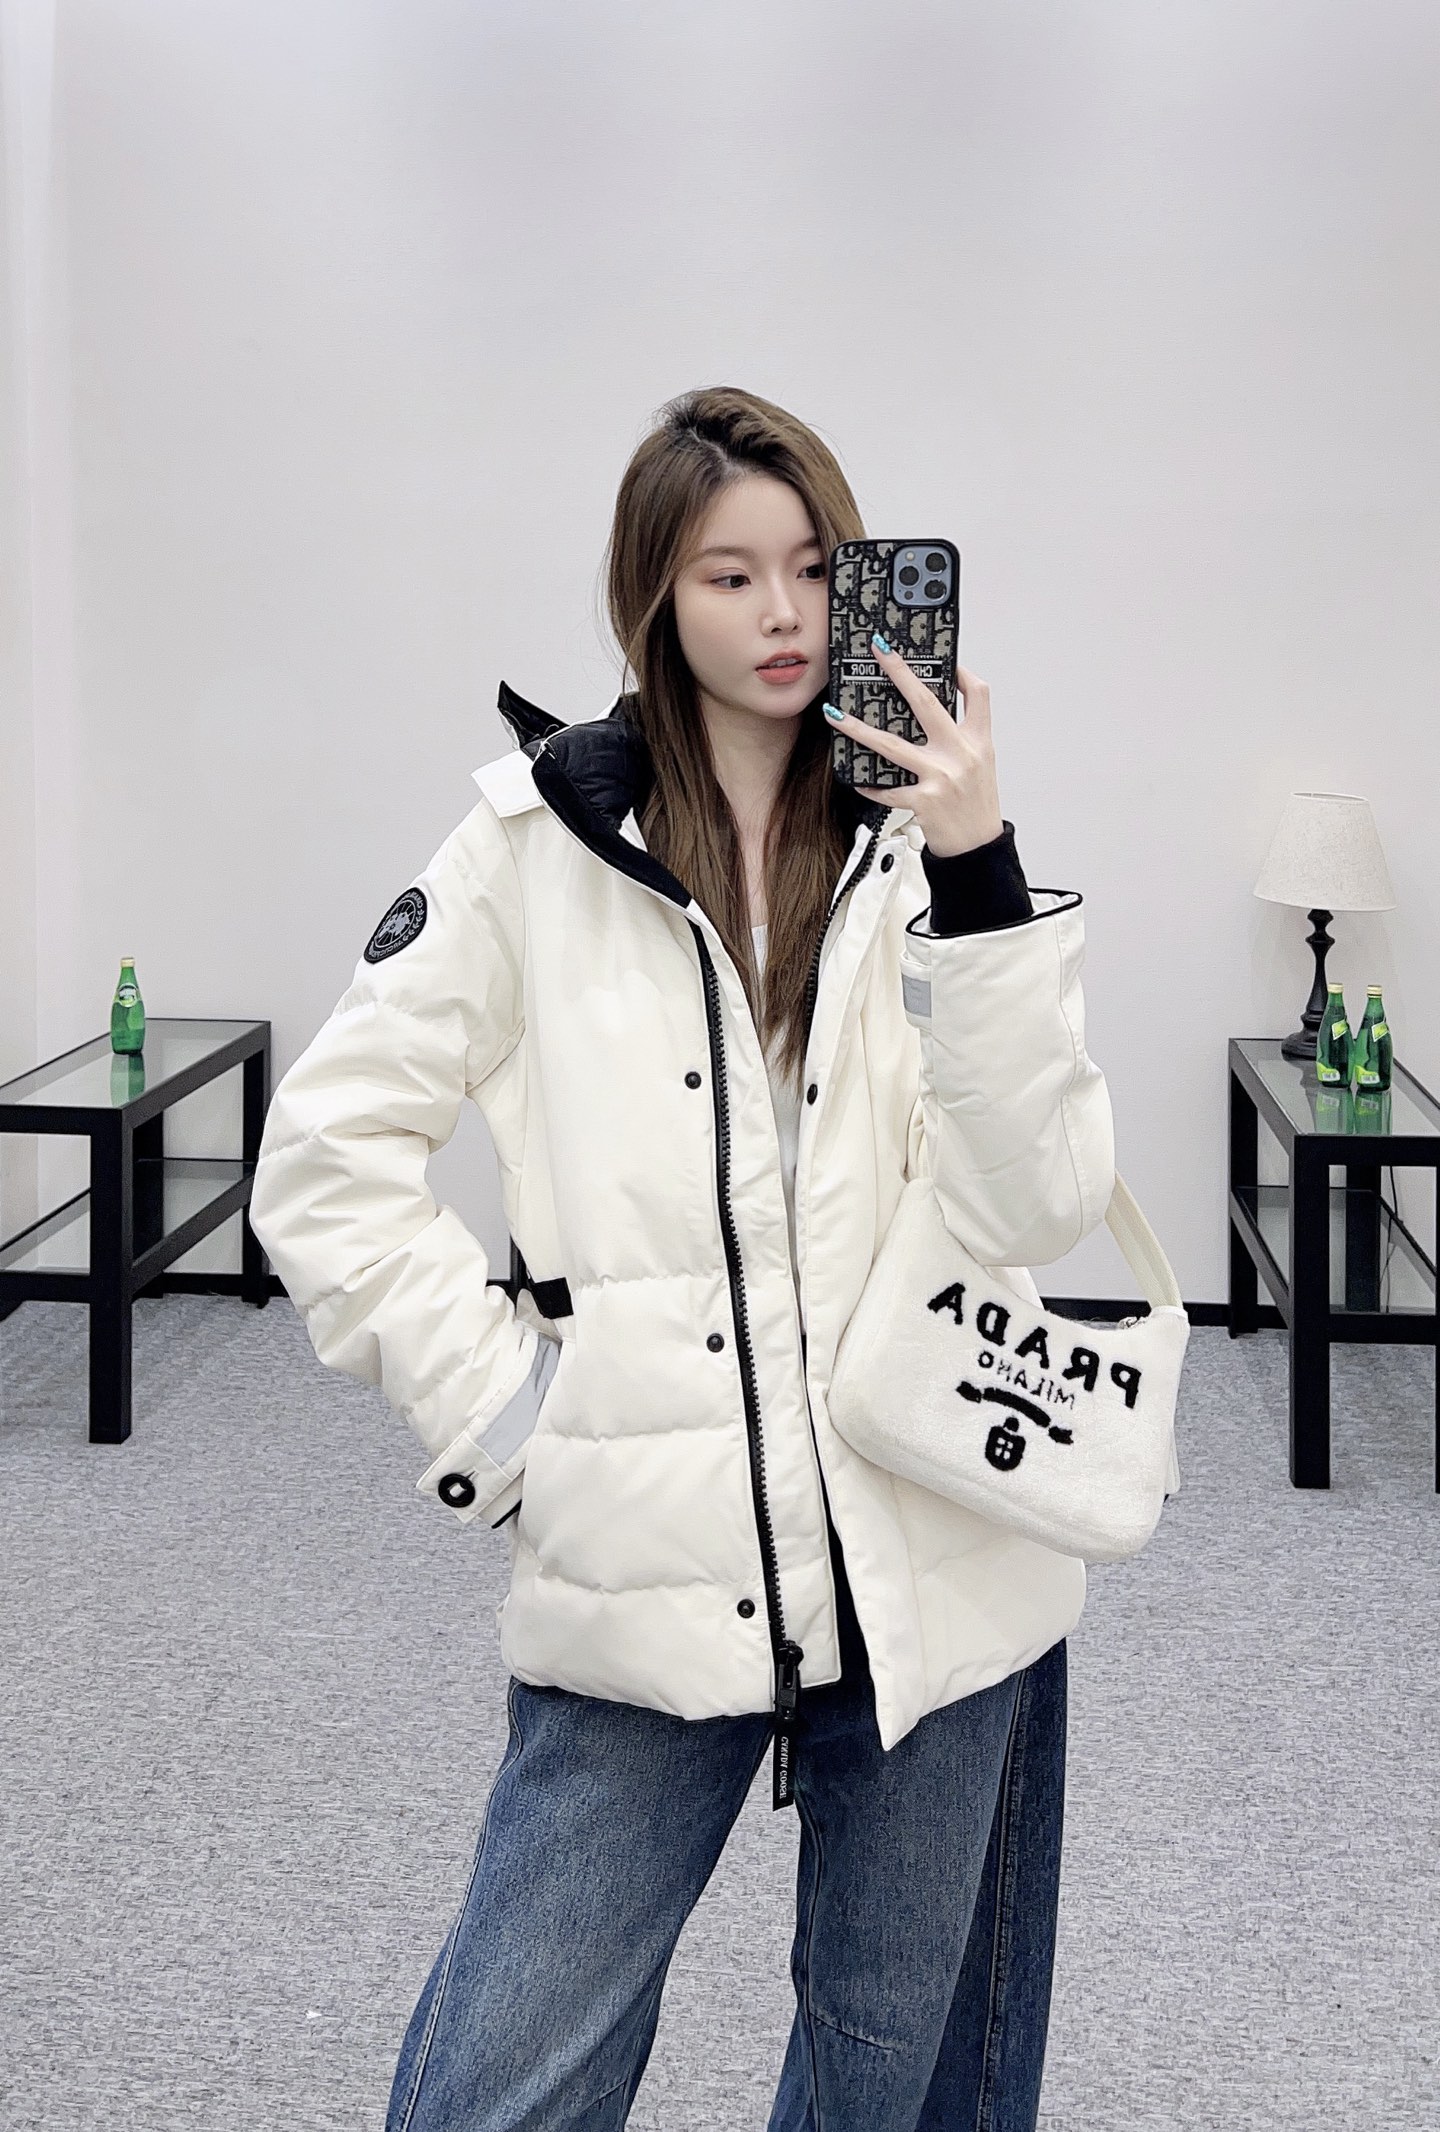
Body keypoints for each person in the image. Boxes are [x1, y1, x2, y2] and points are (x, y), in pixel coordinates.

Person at [247, 384, 1115, 2131]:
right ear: (656, 595)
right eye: (730, 575)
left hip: (933, 1548)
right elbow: (326, 1160)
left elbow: (1040, 1208)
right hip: (653, 1547)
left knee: (895, 2085)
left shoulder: (932, 853)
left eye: (812, 567)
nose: (783, 613)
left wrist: (979, 870)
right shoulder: (531, 849)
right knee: (505, 2078)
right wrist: (514, 1423)